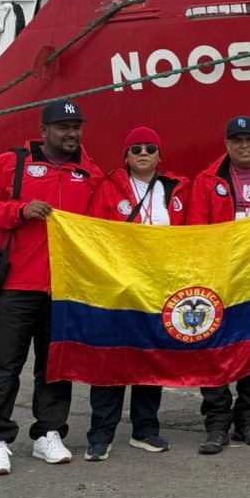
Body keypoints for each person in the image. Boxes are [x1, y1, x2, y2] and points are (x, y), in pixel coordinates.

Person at [0, 98, 102, 475]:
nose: (71, 133)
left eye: (75, 127)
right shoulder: (11, 163)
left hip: (63, 287)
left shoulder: (91, 174)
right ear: (44, 132)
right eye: (62, 127)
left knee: (56, 365)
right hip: (15, 283)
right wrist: (18, 210)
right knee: (2, 364)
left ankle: (49, 434)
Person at [84, 125, 190, 460]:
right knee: (110, 360)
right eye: (136, 149)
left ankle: (145, 430)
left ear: (160, 155)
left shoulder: (176, 189)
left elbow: (191, 234)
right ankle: (101, 434)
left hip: (159, 287)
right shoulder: (108, 189)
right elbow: (93, 233)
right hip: (117, 288)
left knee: (149, 359)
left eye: (150, 148)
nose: (143, 154)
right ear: (126, 157)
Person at [187, 115, 250, 454]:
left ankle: (248, 419)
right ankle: (217, 423)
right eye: (237, 140)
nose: (244, 146)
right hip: (220, 278)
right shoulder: (206, 182)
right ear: (226, 144)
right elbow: (196, 231)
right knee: (214, 349)